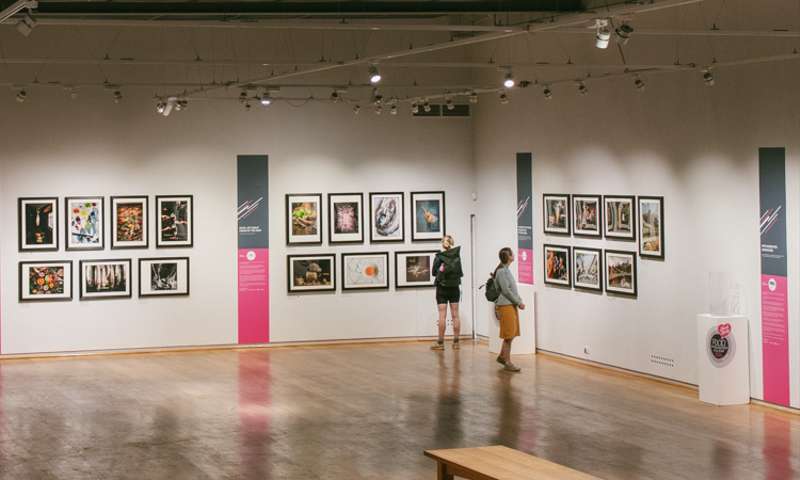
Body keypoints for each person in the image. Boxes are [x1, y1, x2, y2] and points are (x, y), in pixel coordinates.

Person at [493, 247, 525, 372]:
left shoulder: (505, 270)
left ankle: (502, 357)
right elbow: (506, 291)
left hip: (510, 305)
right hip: (505, 305)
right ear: (509, 257)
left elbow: (511, 289)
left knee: (511, 333)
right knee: (509, 335)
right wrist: (518, 302)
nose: (514, 255)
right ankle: (507, 361)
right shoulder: (502, 272)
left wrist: (518, 301)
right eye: (512, 253)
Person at [431, 235, 463, 351]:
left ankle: (440, 343)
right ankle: (456, 342)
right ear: (451, 243)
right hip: (454, 288)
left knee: (442, 316)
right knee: (455, 315)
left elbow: (434, 273)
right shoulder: (457, 256)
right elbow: (460, 273)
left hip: (442, 289)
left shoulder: (439, 257)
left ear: (442, 243)